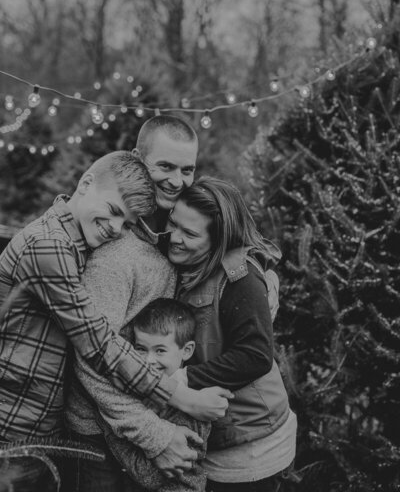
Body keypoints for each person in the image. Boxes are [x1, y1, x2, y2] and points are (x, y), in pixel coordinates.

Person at [64, 116, 231, 491]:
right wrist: (156, 436)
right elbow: (91, 361)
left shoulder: (171, 233)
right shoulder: (116, 255)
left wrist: (258, 268)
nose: (177, 180)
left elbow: (227, 231)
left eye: (187, 169)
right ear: (139, 159)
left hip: (138, 427)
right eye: (165, 167)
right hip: (97, 441)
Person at [167, 177, 297, 492]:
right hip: (223, 440)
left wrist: (182, 380)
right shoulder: (193, 265)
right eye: (173, 224)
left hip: (251, 449)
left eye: (190, 233)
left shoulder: (240, 281)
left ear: (219, 240)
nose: (174, 237)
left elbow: (255, 357)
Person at [101, 298, 211, 492]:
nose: (147, 360)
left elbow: (148, 475)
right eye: (141, 349)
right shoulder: (147, 391)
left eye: (160, 350)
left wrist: (110, 431)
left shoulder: (189, 406)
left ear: (187, 351)